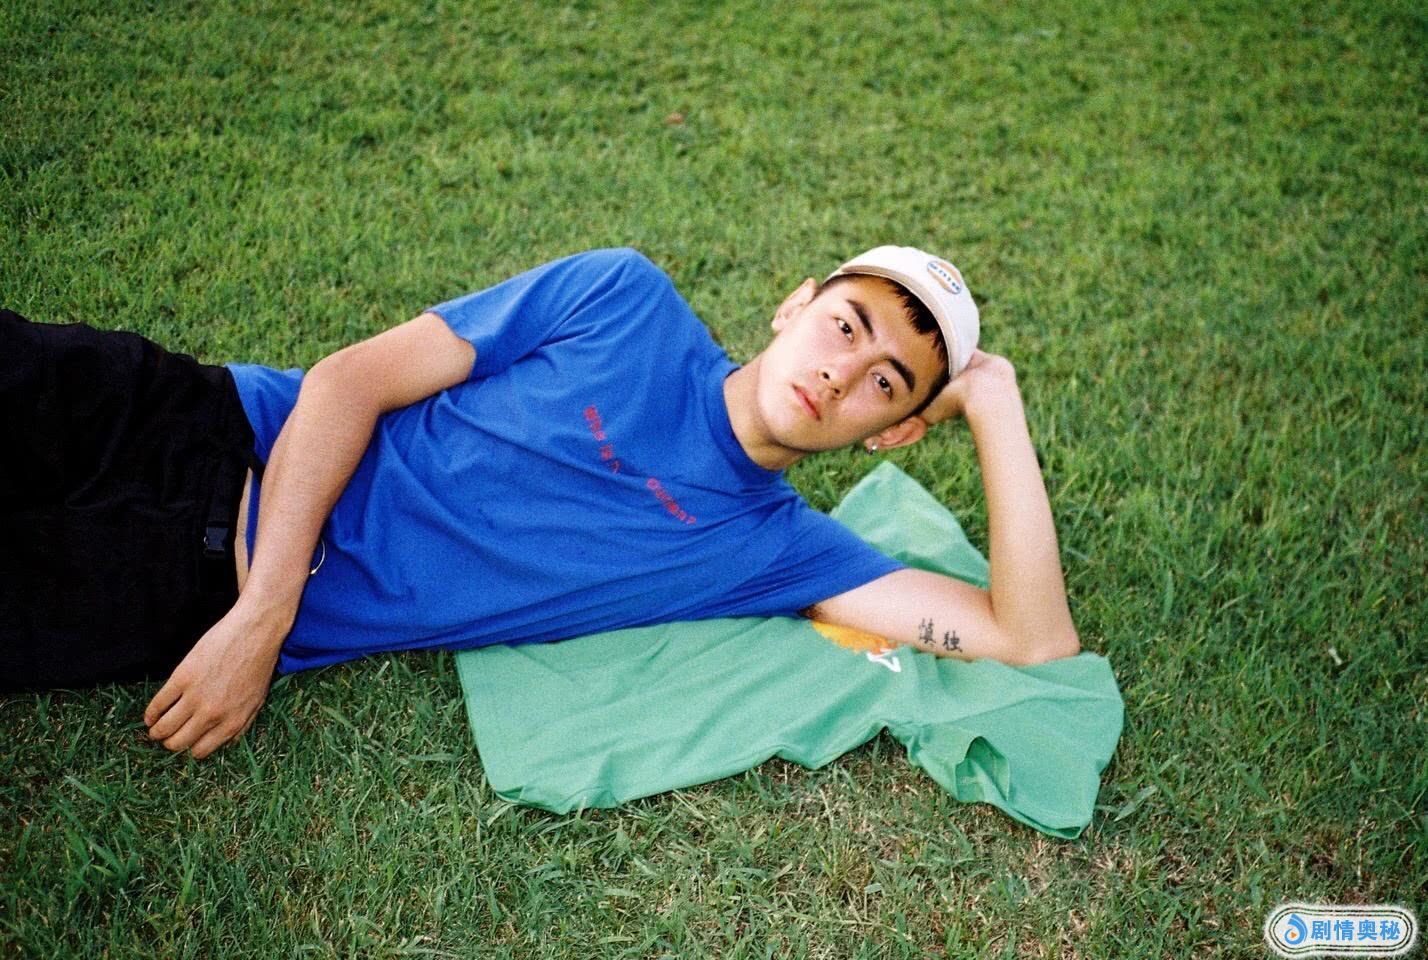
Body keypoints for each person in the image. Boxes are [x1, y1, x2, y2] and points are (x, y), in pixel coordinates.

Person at [1, 245, 1080, 760]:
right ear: (796, 304)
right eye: (846, 325)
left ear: (893, 431)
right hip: (198, 419)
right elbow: (347, 383)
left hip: (173, 580)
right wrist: (263, 618)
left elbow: (1029, 640)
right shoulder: (623, 297)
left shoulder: (777, 550)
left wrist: (995, 404)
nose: (843, 373)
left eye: (888, 382)